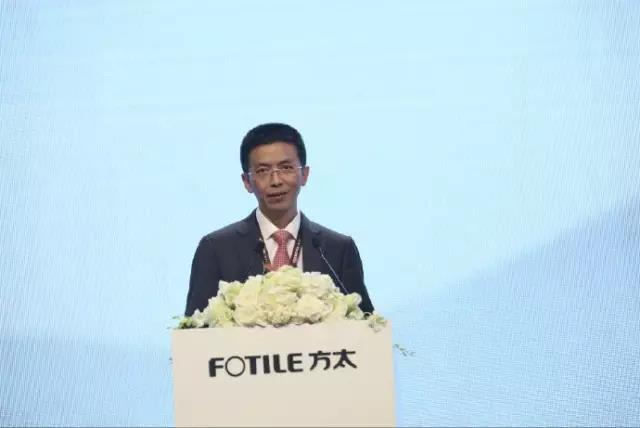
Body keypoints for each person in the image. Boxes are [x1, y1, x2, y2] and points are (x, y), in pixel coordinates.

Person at [185, 123, 374, 316]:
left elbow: (364, 323)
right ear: (247, 182)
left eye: (286, 168)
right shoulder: (216, 248)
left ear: (304, 175)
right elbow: (196, 325)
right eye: (262, 171)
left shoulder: (338, 249)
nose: (276, 181)